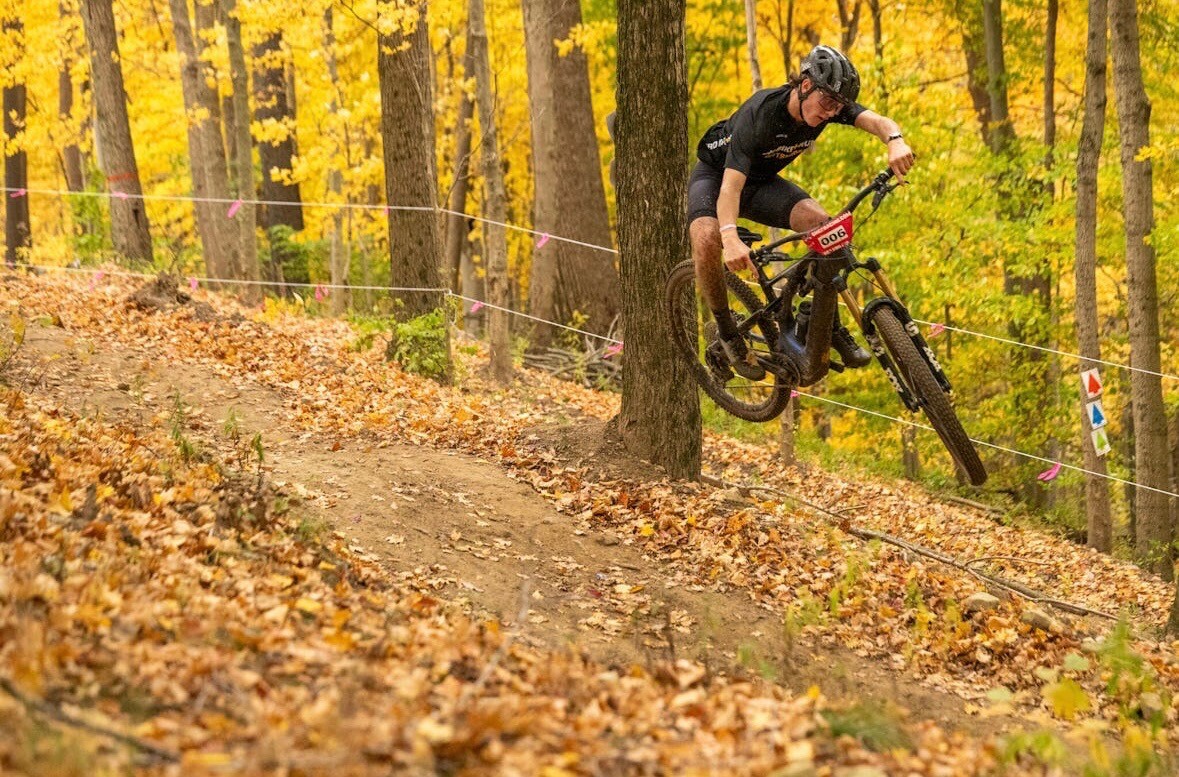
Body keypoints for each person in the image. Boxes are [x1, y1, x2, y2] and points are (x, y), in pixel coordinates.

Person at [688, 44, 915, 381]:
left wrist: (895, 140)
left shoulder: (828, 105)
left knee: (825, 225)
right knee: (707, 237)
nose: (830, 112)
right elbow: (730, 190)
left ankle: (827, 325)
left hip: (761, 183)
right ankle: (727, 332)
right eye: (827, 103)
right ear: (806, 85)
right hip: (717, 179)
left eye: (837, 106)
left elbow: (877, 121)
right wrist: (730, 237)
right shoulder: (761, 113)